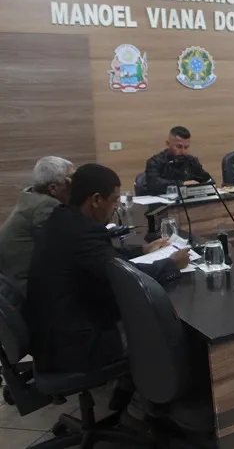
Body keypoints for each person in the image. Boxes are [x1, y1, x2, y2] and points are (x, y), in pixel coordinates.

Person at [24, 163, 190, 374]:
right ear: (95, 200)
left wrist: (142, 249)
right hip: (75, 347)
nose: (116, 207)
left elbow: (106, 258)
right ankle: (163, 391)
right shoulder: (83, 234)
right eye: (114, 200)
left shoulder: (63, 219)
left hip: (54, 336)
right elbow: (126, 279)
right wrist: (172, 264)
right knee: (162, 329)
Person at [0, 157, 74, 294]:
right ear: (53, 188)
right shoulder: (46, 206)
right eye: (69, 181)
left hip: (11, 281)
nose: (73, 185)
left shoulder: (31, 196)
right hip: (25, 288)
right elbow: (66, 245)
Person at [145, 126, 211, 195]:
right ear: (168, 144)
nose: (183, 151)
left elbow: (208, 181)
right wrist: (182, 184)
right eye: (179, 147)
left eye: (186, 147)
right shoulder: (155, 162)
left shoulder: (192, 161)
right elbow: (153, 184)